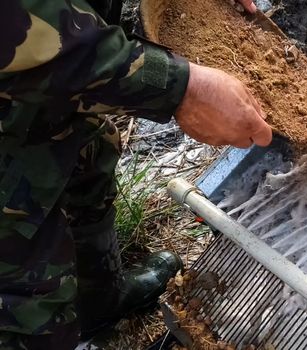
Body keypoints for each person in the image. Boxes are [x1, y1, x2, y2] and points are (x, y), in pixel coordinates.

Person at [0, 0, 272, 349]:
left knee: (86, 159)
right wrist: (179, 87)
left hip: (46, 98)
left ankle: (99, 304)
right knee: (20, 297)